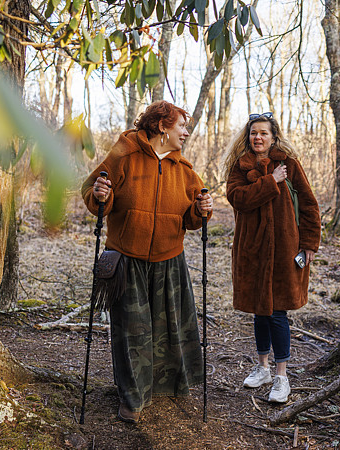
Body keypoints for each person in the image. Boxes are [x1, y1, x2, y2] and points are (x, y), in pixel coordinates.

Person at [81, 101, 213, 423]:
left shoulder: (184, 171)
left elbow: (192, 218)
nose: (186, 132)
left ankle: (164, 387)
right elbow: (93, 192)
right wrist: (101, 194)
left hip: (169, 261)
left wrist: (201, 209)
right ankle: (132, 397)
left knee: (168, 328)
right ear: (162, 126)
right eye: (182, 125)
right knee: (131, 331)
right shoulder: (124, 154)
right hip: (127, 258)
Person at [223, 112, 321, 403]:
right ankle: (263, 368)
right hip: (251, 250)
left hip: (284, 249)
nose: (258, 138)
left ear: (274, 137)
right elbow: (237, 199)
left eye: (264, 133)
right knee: (259, 310)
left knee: (277, 311)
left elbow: (309, 205)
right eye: (254, 133)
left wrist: (309, 244)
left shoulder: (289, 165)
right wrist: (270, 182)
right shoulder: (239, 168)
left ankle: (281, 376)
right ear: (248, 136)